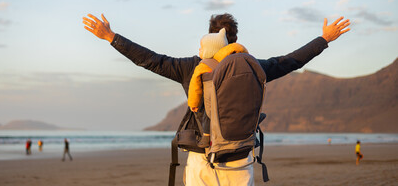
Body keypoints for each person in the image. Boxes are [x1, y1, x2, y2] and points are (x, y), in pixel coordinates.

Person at [82, 12, 350, 185]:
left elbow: (151, 60)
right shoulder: (253, 66)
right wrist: (324, 38)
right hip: (241, 157)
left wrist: (110, 37)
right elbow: (290, 61)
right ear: (234, 39)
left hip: (201, 158)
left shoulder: (191, 67)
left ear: (209, 36)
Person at [187, 28, 248, 148]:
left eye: (201, 47)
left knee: (206, 113)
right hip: (237, 103)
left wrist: (193, 103)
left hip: (214, 104)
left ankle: (206, 136)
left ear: (210, 50)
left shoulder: (203, 66)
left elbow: (195, 87)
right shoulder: (236, 62)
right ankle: (252, 123)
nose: (199, 50)